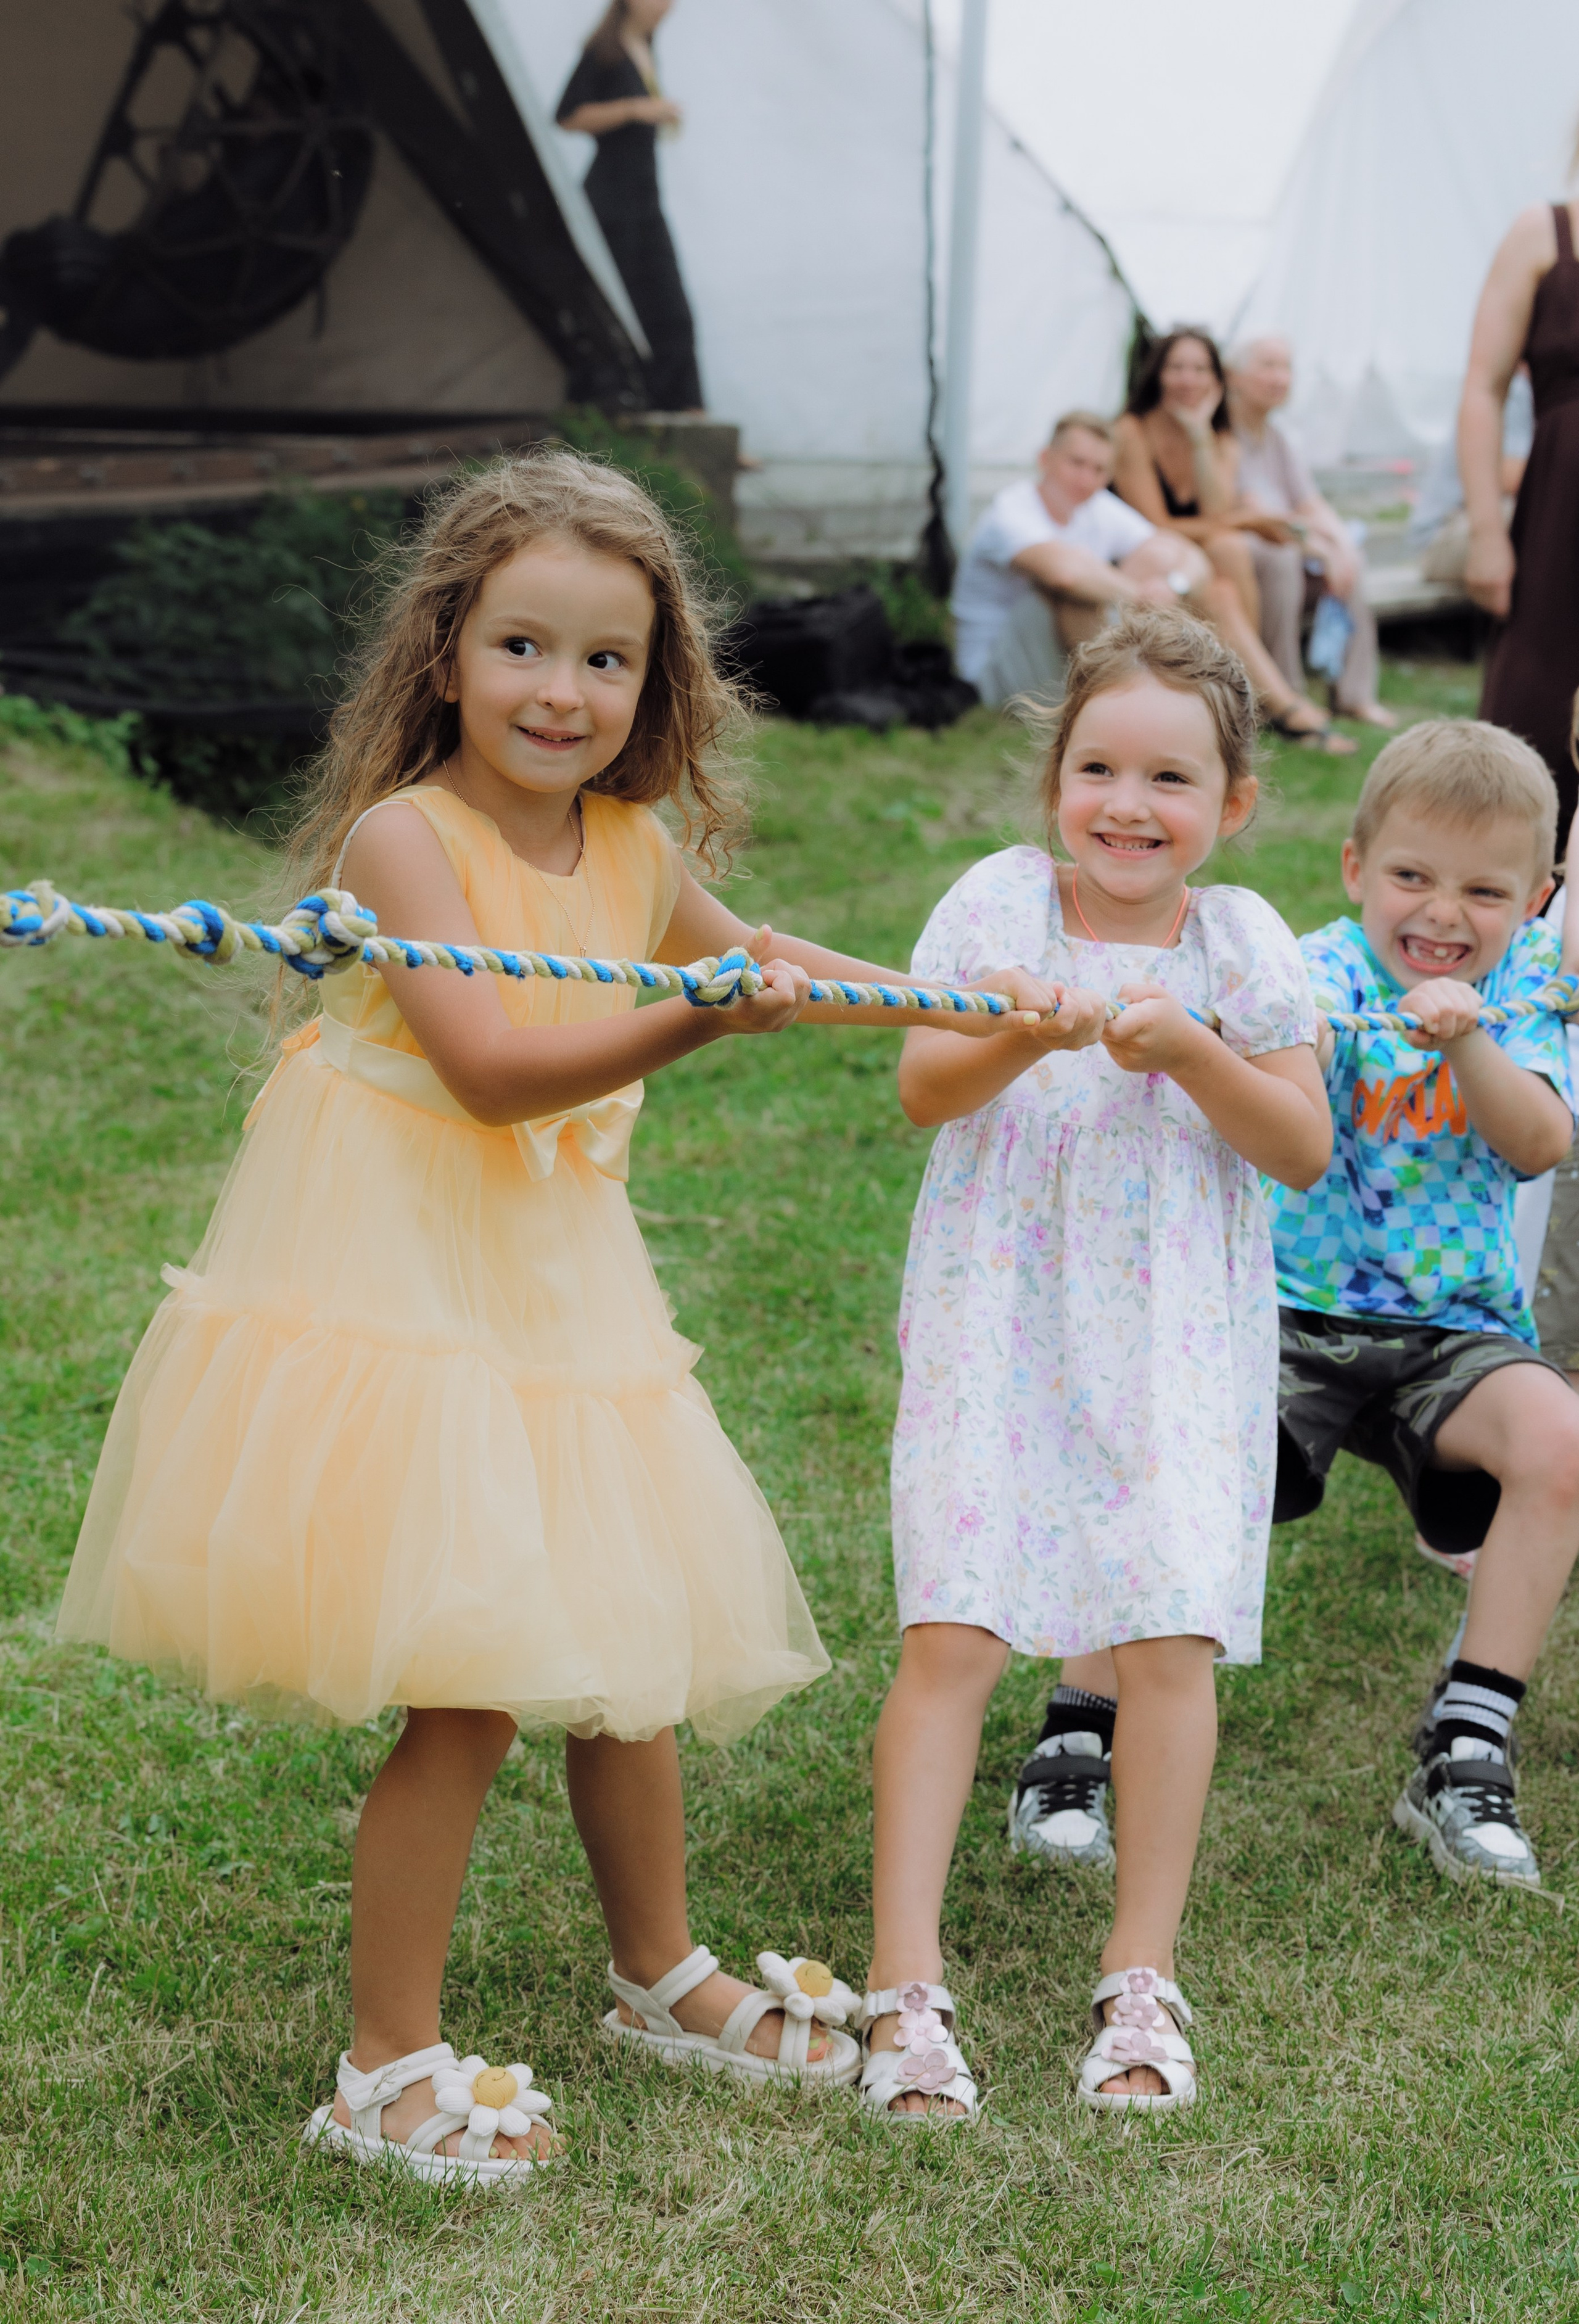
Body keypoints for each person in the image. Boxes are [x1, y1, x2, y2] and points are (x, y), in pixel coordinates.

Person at [56, 451, 1034, 2183]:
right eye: (522, 646)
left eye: (605, 660)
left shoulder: (632, 844)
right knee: (472, 1680)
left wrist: (974, 1009)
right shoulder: (402, 840)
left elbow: (767, 957)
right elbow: (494, 1073)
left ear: (655, 683)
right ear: (445, 652)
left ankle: (659, 1972)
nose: (561, 691)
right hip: (399, 1266)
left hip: (553, 1269)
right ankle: (381, 2063)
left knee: (622, 1625)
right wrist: (694, 1018)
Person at [861, 609, 1331, 2119]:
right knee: (953, 1625)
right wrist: (1020, 1033)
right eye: (1099, 770)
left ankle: (1139, 1971)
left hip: (1172, 1330)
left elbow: (1299, 1146)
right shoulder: (997, 902)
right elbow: (922, 1089)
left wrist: (1189, 1049)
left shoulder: (1239, 942)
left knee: (1164, 1634)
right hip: (998, 1307)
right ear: (1054, 776)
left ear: (1230, 802)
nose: (1128, 806)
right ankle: (902, 1982)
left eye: (1169, 779)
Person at [1268, 722, 1579, 1891]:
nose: (1443, 914)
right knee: (1181, 1440)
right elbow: (1291, 1086)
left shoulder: (1529, 987)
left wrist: (1470, 1040)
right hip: (1289, 1314)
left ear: (1535, 900)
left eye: (1484, 891)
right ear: (1356, 867)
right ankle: (1083, 1727)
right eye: (1412, 876)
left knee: (1562, 1440)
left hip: (1455, 1335)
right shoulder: (1322, 968)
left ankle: (1467, 1747)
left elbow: (1539, 1141)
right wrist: (1288, 1040)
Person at [952, 410, 1339, 748]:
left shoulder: (1096, 507)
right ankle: (1128, 710)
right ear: (1045, 459)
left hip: (1062, 653)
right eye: (1077, 463)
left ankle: (1257, 706)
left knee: (1201, 583)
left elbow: (1188, 557)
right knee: (1073, 591)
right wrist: (1140, 594)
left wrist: (1174, 587)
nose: (1086, 478)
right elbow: (1064, 573)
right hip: (996, 672)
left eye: (1099, 470)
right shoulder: (1011, 511)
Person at [1113, 329, 1355, 755]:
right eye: (1176, 368)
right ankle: (1269, 702)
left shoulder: (1220, 436)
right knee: (1225, 564)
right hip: (1142, 555)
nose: (1188, 379)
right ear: (1157, 374)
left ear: (1216, 379)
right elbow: (1156, 524)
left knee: (1229, 548)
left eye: (1199, 369)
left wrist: (1199, 436)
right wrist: (1249, 520)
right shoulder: (1132, 431)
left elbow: (1216, 510)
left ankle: (1249, 692)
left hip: (1192, 556)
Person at [1463, 186, 1579, 833]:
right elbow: (1483, 386)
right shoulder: (1544, 231)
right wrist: (1486, 530)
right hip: (1560, 523)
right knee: (1534, 711)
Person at [1226, 334, 1396, 731]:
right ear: (1234, 376)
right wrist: (1317, 547)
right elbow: (1258, 514)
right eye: (1268, 366)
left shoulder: (1278, 437)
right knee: (1283, 560)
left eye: (1286, 367)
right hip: (1256, 551)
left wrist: (1340, 545)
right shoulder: (1225, 438)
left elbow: (1310, 502)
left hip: (1290, 544)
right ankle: (1286, 695)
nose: (1280, 378)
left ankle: (1355, 695)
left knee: (1351, 560)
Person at [557, 1, 703, 413]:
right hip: (611, 201)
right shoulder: (605, 51)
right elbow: (568, 116)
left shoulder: (646, 48)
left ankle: (685, 411)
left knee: (672, 311)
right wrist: (635, 110)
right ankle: (610, 406)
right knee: (615, 310)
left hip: (644, 199)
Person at [1409, 369, 1532, 587]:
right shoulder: (1514, 390)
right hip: (1443, 535)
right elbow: (1509, 476)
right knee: (1548, 515)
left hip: (1467, 528)